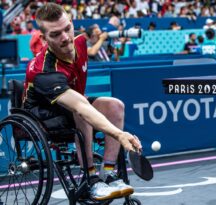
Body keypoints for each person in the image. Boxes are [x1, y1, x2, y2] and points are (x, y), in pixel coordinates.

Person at [23, 3, 142, 201]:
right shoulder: (44, 70)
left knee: (115, 106)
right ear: (44, 38)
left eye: (67, 29)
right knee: (82, 113)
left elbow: (80, 101)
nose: (65, 38)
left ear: (72, 23)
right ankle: (92, 180)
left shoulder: (80, 42)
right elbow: (80, 106)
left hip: (72, 102)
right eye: (55, 34)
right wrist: (120, 134)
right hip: (42, 114)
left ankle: (109, 173)